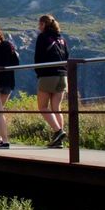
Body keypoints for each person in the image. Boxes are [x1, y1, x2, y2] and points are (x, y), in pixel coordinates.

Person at [34, 15, 70, 148]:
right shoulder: (62, 39)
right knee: (56, 108)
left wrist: (39, 73)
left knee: (42, 107)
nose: (38, 27)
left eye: (39, 24)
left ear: (44, 24)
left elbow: (38, 57)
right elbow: (67, 56)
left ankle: (58, 131)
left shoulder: (43, 37)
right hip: (63, 75)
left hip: (48, 75)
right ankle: (59, 140)